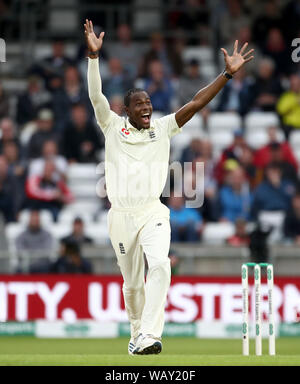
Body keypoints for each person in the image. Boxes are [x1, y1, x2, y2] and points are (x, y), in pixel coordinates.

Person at [84, 19, 254, 355]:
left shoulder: (161, 128)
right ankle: (137, 336)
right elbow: (95, 97)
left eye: (148, 102)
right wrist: (93, 59)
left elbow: (193, 104)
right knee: (132, 286)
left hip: (152, 212)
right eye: (140, 104)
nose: (147, 107)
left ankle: (149, 333)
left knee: (160, 264)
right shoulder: (112, 126)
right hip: (121, 217)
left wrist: (227, 75)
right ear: (127, 110)